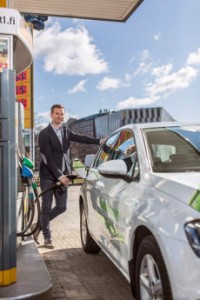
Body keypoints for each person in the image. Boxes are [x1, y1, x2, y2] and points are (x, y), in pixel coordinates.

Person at [33, 104, 105, 248]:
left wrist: (99, 141)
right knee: (46, 207)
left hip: (63, 174)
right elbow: (47, 158)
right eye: (57, 113)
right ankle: (47, 238)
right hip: (48, 175)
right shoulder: (44, 134)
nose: (60, 116)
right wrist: (60, 176)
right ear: (51, 115)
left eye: (62, 114)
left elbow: (81, 138)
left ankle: (39, 225)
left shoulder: (66, 131)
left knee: (61, 207)